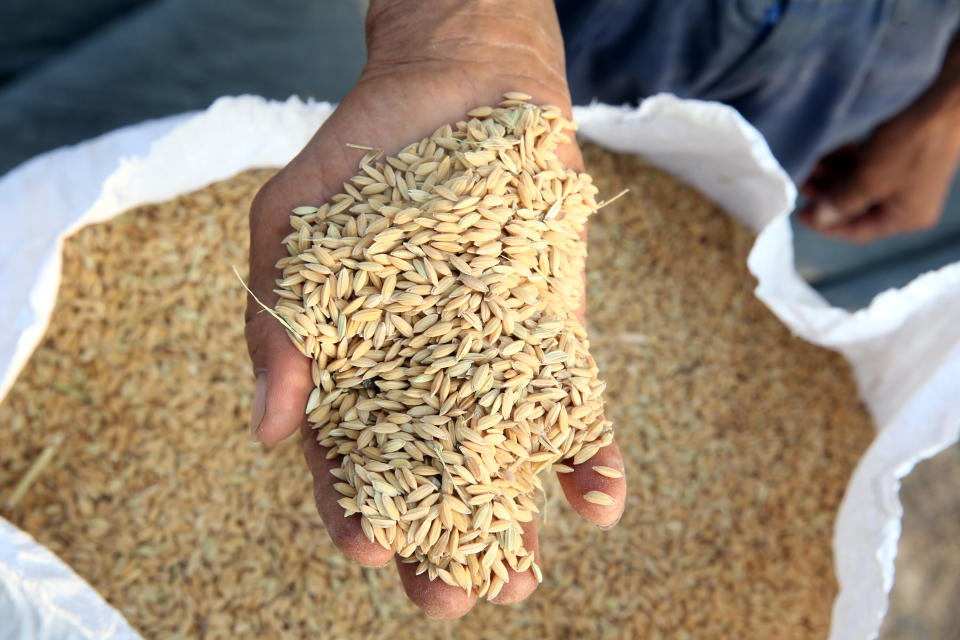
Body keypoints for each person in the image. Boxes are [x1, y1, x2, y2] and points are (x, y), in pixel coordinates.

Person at [245, 0, 960, 619]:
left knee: (769, 167)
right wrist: (458, 24)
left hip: (885, 43)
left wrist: (948, 108)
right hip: (596, 20)